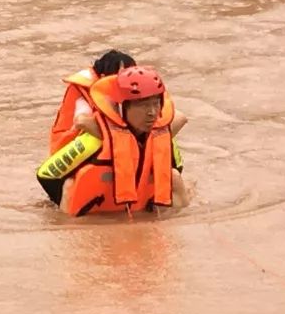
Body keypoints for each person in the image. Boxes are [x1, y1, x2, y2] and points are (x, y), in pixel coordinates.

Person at [37, 65, 190, 216]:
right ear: (123, 108)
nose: (151, 112)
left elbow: (178, 168)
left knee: (175, 177)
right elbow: (47, 175)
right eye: (143, 106)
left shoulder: (162, 138)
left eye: (156, 104)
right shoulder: (95, 141)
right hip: (94, 218)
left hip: (140, 210)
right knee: (69, 185)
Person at [48, 49, 136, 154]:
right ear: (104, 77)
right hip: (66, 150)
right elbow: (82, 122)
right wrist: (119, 143)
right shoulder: (85, 89)